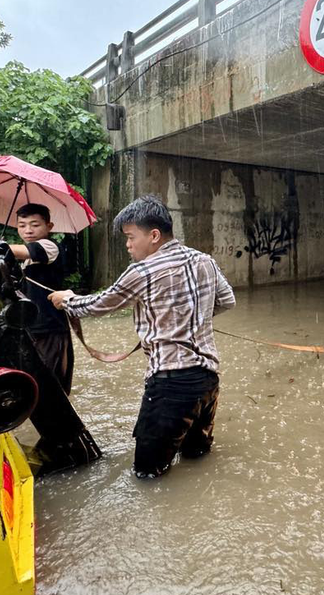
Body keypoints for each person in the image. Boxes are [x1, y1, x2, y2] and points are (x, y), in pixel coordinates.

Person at [47, 195, 236, 479]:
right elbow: (227, 300)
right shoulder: (204, 260)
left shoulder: (143, 271)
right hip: (208, 381)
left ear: (155, 235)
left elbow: (100, 304)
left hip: (170, 387)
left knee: (147, 475)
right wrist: (186, 320)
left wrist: (67, 299)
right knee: (196, 460)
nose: (128, 244)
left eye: (131, 237)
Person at [7, 203, 74, 394]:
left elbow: (18, 251)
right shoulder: (24, 257)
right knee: (31, 382)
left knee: (49, 385)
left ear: (49, 227)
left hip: (49, 327)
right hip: (29, 326)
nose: (28, 230)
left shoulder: (49, 247)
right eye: (22, 225)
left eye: (35, 225)